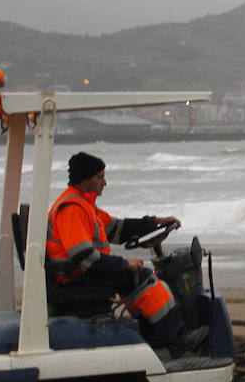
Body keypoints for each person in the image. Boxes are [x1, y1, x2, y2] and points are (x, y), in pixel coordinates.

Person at [45, 152, 208, 356]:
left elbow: (118, 229)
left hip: (81, 273)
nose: (105, 183)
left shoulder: (85, 205)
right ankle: (178, 339)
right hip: (75, 277)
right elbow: (83, 256)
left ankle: (156, 336)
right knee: (146, 280)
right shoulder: (72, 209)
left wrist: (155, 222)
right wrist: (124, 264)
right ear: (85, 179)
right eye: (100, 177)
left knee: (138, 278)